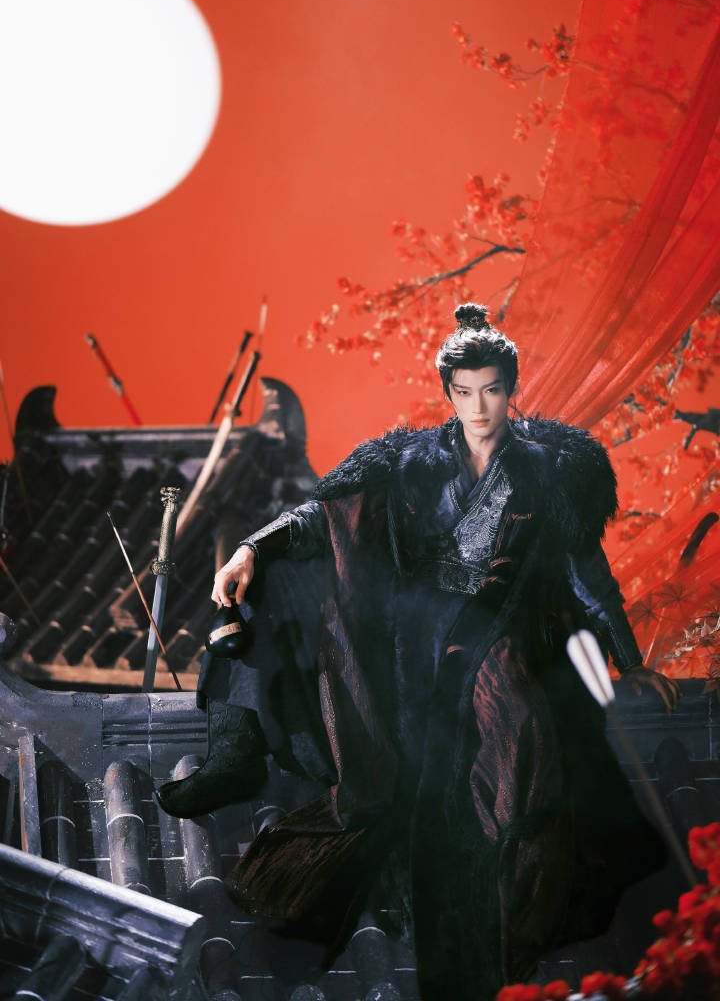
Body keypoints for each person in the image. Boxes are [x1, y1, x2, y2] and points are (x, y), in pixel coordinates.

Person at [157, 303, 679, 999]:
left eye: (491, 390)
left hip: (501, 634)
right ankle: (240, 749)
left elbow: (588, 573)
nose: (479, 407)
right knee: (393, 782)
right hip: (413, 644)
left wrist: (631, 659)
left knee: (521, 741)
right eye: (465, 392)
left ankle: (505, 916)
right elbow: (325, 514)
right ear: (448, 393)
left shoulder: (548, 472)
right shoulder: (411, 465)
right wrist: (253, 546)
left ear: (510, 388)